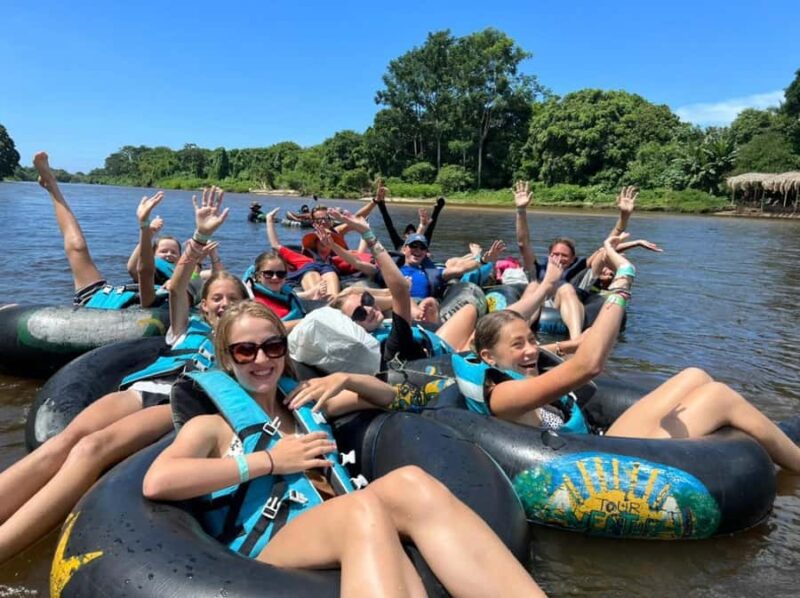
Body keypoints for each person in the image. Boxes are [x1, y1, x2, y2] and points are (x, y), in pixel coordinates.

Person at [143, 301, 544, 597]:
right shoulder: (211, 427)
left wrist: (349, 378)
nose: (262, 359)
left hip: (333, 517)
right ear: (228, 360)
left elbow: (388, 399)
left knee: (411, 482)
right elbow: (159, 481)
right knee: (359, 510)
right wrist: (267, 461)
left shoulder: (305, 406)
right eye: (246, 351)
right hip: (269, 546)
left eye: (273, 347)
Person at [0, 187, 247, 564]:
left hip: (180, 398)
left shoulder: (245, 339)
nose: (224, 303)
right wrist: (199, 237)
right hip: (144, 387)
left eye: (233, 298)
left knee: (91, 448)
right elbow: (177, 284)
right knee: (65, 440)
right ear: (204, 303)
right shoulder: (186, 324)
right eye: (217, 298)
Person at [459, 233, 800, 472]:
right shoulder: (503, 393)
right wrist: (623, 280)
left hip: (599, 441)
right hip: (601, 460)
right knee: (719, 397)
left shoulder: (522, 370)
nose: (532, 350)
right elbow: (589, 365)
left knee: (695, 375)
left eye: (531, 340)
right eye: (518, 345)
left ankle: (760, 438)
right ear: (489, 357)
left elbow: (566, 357)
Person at [371, 181, 446, 250]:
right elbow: (389, 225)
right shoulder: (399, 243)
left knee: (426, 234)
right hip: (402, 262)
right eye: (408, 233)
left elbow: (429, 230)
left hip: (420, 261)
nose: (411, 235)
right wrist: (381, 204)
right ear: (404, 237)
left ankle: (438, 208)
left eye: (413, 233)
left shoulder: (422, 245)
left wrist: (437, 210)